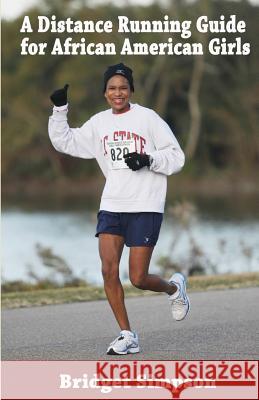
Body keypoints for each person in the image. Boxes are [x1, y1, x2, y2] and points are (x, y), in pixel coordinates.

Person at [48, 62, 190, 355]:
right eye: (112, 88)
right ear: (105, 92)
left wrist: (147, 159)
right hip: (112, 204)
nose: (118, 93)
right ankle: (127, 334)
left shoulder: (148, 118)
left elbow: (176, 157)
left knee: (138, 278)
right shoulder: (99, 123)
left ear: (131, 90)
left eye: (123, 88)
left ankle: (174, 289)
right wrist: (60, 110)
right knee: (108, 270)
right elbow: (66, 142)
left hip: (146, 205)